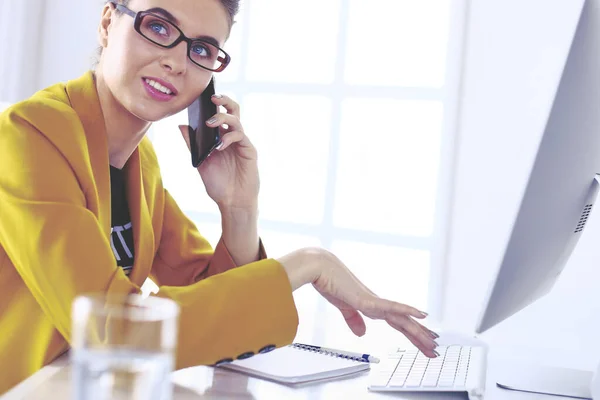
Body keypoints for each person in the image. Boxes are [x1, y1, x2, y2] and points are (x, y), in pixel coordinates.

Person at [0, 0, 439, 393]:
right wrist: (308, 263)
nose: (176, 61)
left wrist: (239, 208)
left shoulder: (140, 163)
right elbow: (111, 330)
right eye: (158, 27)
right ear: (108, 22)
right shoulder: (26, 137)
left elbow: (208, 302)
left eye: (202, 49)